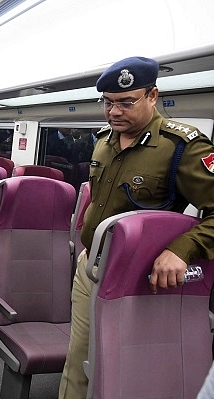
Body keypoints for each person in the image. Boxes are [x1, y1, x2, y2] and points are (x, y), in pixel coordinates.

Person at [59, 56, 214, 399]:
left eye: (126, 102)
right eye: (108, 102)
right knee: (79, 359)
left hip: (138, 279)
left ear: (153, 95)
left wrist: (181, 249)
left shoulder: (181, 148)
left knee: (121, 368)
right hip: (91, 269)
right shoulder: (103, 140)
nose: (114, 112)